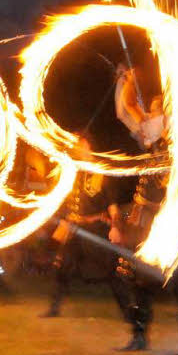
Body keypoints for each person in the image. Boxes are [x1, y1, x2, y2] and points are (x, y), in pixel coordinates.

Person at [110, 68, 178, 355]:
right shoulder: (149, 139)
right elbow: (123, 112)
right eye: (150, 112)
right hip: (144, 216)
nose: (148, 118)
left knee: (177, 275)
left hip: (172, 218)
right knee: (138, 275)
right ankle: (139, 334)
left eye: (156, 112)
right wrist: (123, 83)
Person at [41, 136, 117, 318]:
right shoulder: (73, 173)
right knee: (62, 265)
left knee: (109, 271)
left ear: (90, 148)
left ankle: (130, 310)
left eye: (81, 145)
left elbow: (112, 203)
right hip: (74, 228)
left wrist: (115, 225)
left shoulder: (100, 173)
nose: (77, 148)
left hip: (94, 228)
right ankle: (54, 308)